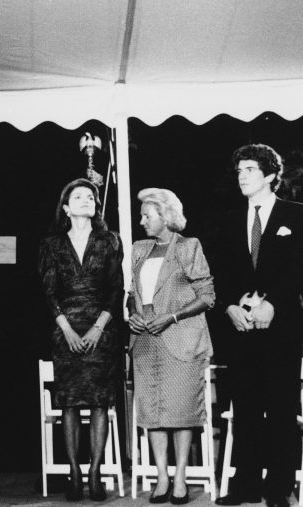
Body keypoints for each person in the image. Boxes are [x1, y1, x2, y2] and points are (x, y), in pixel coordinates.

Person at [211, 145, 303, 507]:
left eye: (249, 169)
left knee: (282, 409)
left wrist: (273, 304)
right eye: (238, 171)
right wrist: (231, 306)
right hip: (241, 330)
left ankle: (279, 487)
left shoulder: (297, 215)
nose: (242, 176)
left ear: (269, 175)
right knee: (245, 407)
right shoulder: (230, 220)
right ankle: (245, 484)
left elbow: (299, 267)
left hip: (281, 329)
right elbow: (222, 271)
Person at [38, 178, 124, 502]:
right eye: (79, 196)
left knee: (100, 402)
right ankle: (74, 472)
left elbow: (117, 289)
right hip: (65, 331)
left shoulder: (110, 240)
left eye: (91, 196)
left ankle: (95, 472)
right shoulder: (51, 245)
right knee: (70, 404)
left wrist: (99, 327)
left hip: (102, 330)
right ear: (66, 207)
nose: (87, 200)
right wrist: (68, 330)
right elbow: (47, 292)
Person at [127, 188, 214, 505]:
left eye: (146, 215)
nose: (141, 221)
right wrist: (133, 316)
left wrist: (172, 316)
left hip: (181, 338)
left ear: (164, 215)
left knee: (181, 411)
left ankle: (180, 479)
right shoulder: (138, 249)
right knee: (152, 412)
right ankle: (161, 477)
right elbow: (132, 294)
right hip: (146, 340)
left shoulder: (188, 247)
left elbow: (207, 296)